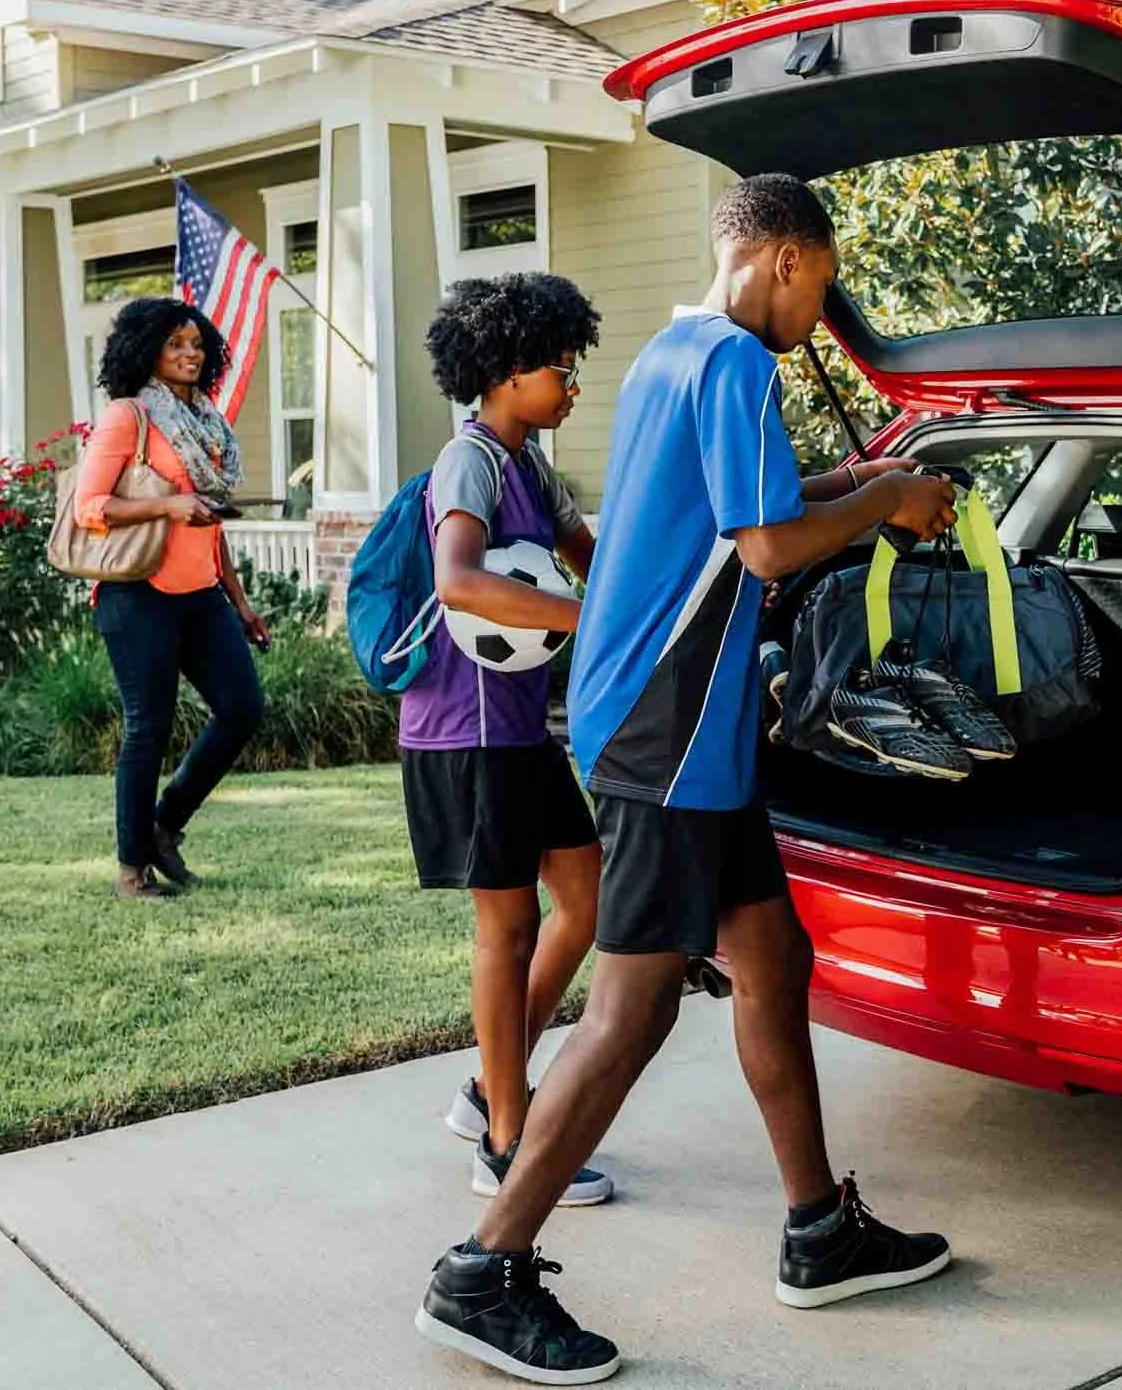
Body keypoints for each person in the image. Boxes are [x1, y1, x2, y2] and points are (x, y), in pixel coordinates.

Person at [416, 175, 960, 1384]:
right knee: (635, 1008)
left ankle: (819, 1229)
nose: (822, 307)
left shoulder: (679, 352)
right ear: (776, 258)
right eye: (820, 282)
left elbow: (744, 513)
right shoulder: (733, 366)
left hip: (682, 730)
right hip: (666, 728)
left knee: (772, 961)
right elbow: (767, 547)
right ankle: (481, 1270)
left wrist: (870, 480)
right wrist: (884, 501)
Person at [406, 272, 615, 1208]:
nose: (571, 382)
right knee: (509, 924)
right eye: (557, 367)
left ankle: (491, 1084)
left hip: (522, 727)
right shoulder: (474, 463)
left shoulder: (532, 467)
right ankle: (505, 1141)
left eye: (572, 364)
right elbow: (458, 581)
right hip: (467, 731)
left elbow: (595, 561)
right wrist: (588, 616)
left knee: (587, 898)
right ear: (501, 371)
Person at [71, 296, 270, 901]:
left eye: (196, 345)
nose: (189, 354)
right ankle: (132, 870)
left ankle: (166, 826)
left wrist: (239, 601)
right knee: (147, 730)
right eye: (174, 344)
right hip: (137, 594)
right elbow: (89, 508)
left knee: (242, 709)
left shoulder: (206, 421)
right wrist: (167, 504)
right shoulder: (129, 417)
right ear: (147, 351)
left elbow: (211, 525)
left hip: (201, 593)